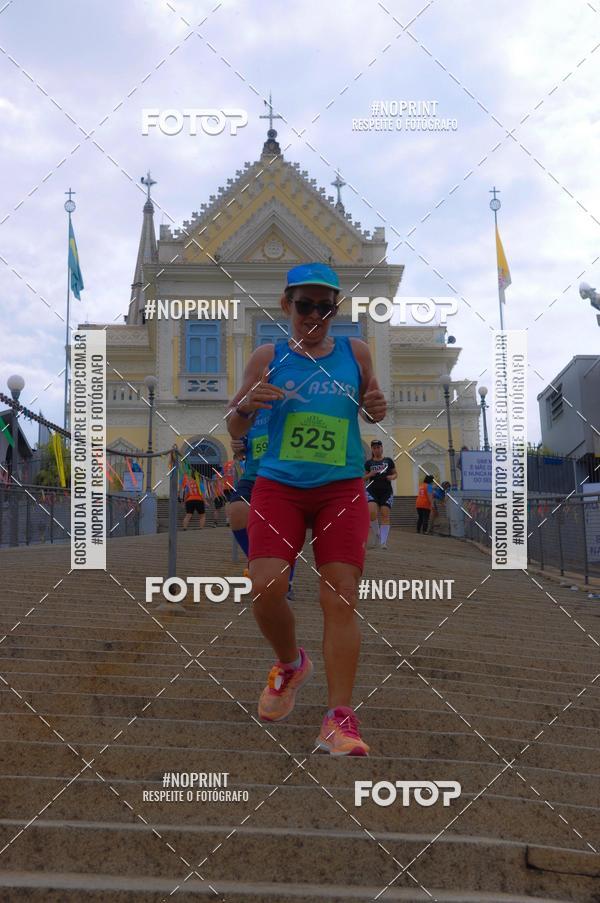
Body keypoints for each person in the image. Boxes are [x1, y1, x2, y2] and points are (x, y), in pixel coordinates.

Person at [227, 262, 386, 757]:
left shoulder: (355, 352)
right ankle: (291, 663)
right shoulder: (268, 356)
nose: (315, 315)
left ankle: (339, 719)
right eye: (305, 305)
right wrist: (247, 406)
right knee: (265, 586)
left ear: (336, 310)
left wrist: (375, 406)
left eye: (325, 307)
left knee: (340, 596)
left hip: (341, 487)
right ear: (286, 305)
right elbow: (234, 426)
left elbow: (369, 404)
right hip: (280, 486)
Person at [228, 411, 296, 600]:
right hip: (253, 476)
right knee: (237, 512)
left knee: (284, 529)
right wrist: (237, 445)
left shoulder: (293, 403)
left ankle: (286, 580)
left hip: (285, 477)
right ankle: (258, 562)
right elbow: (240, 443)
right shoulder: (254, 409)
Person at [364, 439, 396, 549]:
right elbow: (363, 478)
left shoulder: (388, 461)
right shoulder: (368, 463)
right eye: (374, 448)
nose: (377, 449)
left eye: (378, 447)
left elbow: (395, 474)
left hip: (386, 492)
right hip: (372, 491)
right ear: (372, 450)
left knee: (385, 515)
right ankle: (377, 534)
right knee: (371, 513)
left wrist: (392, 477)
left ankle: (383, 542)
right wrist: (370, 474)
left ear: (382, 448)